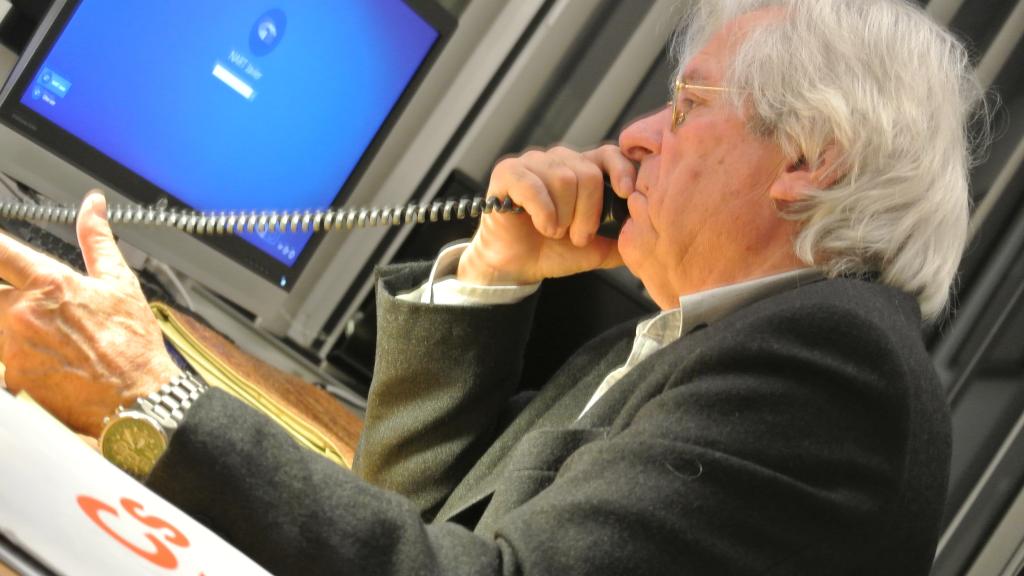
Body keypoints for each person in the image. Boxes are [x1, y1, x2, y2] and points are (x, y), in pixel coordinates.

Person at [0, 0, 988, 574]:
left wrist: (152, 399)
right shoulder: (672, 343)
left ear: (809, 159)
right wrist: (492, 273)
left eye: (688, 106)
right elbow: (403, 518)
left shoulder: (831, 367)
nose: (638, 136)